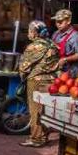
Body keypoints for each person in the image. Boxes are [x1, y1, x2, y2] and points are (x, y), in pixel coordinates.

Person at [19, 20, 60, 148]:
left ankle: (37, 138)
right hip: (51, 81)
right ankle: (44, 135)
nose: (28, 33)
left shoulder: (34, 47)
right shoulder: (52, 44)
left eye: (30, 31)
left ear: (35, 33)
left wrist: (22, 77)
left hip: (36, 81)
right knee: (45, 110)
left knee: (35, 110)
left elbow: (24, 67)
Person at [51, 9, 78, 78]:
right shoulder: (55, 34)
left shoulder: (76, 36)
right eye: (56, 21)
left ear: (69, 21)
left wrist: (65, 59)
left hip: (70, 71)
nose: (58, 24)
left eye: (61, 22)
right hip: (56, 68)